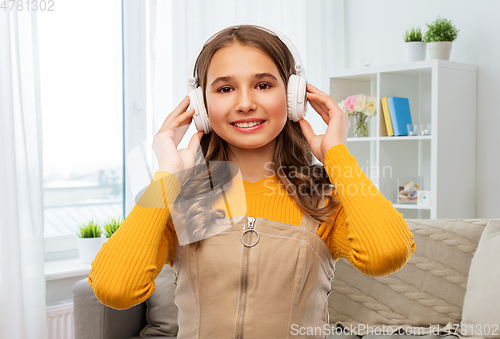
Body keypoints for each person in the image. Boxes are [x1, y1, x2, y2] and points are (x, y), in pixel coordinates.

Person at [88, 23, 415, 338]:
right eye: (225, 88)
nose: (245, 104)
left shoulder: (320, 197)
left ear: (293, 96)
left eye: (263, 85)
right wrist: (167, 177)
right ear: (202, 105)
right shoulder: (183, 199)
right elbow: (114, 288)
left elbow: (387, 253)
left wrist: (336, 154)